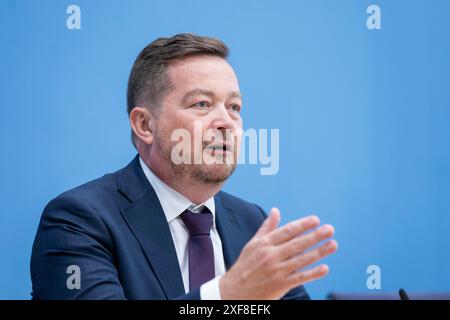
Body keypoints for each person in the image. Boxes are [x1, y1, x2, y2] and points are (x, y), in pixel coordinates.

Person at [30, 33, 337, 300]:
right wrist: (228, 294)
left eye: (234, 107)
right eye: (201, 104)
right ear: (145, 124)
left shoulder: (252, 224)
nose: (225, 122)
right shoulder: (78, 221)